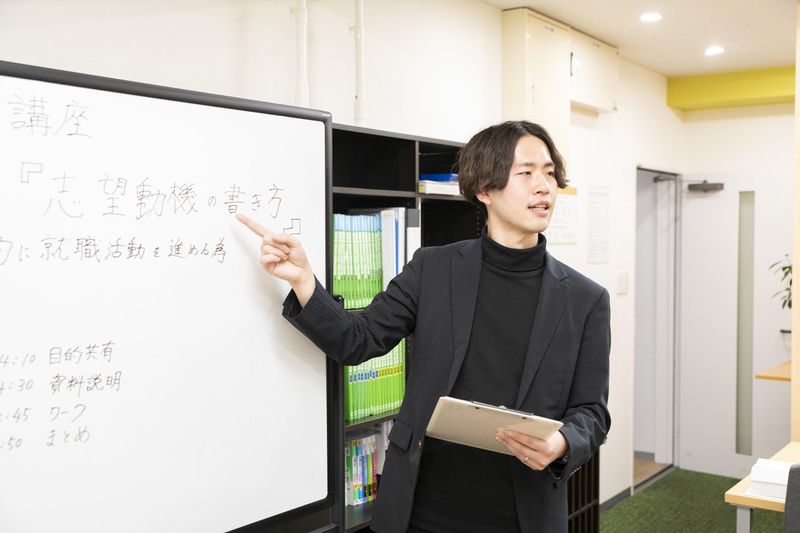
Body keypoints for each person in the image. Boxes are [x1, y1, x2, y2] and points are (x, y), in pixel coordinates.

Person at [237, 120, 610, 533]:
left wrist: (563, 443)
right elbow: (357, 340)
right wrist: (304, 280)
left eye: (549, 173)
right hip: (422, 507)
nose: (543, 187)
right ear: (484, 190)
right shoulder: (433, 269)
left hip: (523, 511)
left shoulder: (586, 299)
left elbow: (592, 412)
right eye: (526, 173)